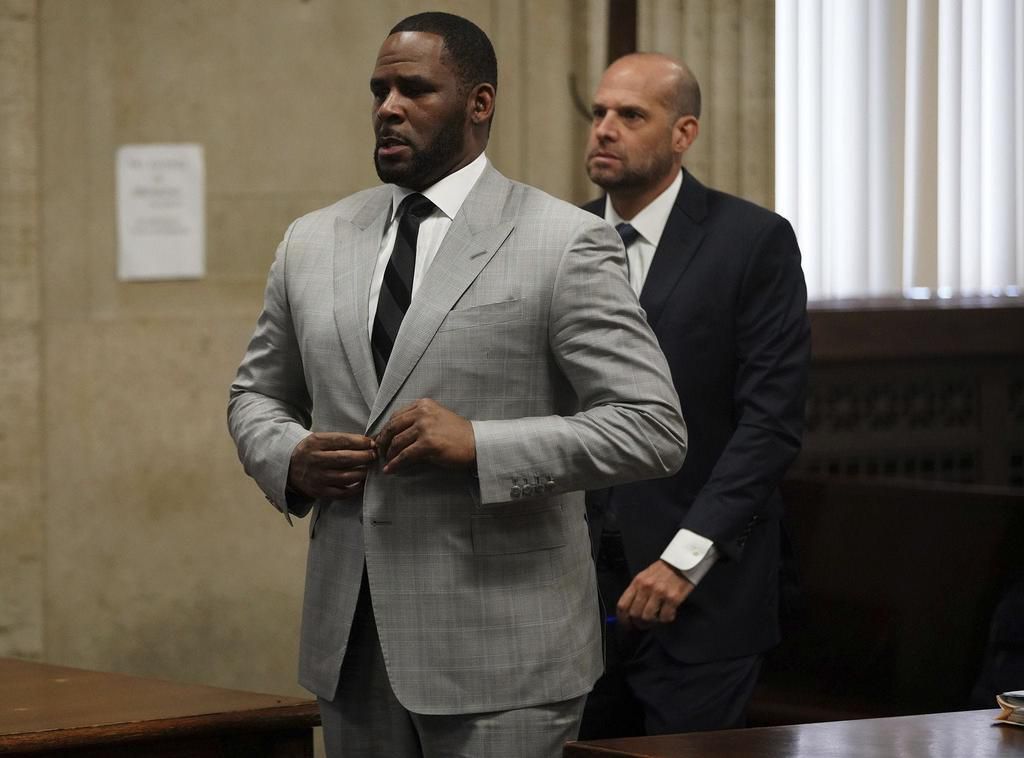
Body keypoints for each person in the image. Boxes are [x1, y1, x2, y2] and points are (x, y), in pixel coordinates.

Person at [227, 14, 686, 758]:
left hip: (505, 655)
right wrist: (288, 457)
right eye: (379, 89)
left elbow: (653, 426)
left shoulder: (562, 240)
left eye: (414, 89)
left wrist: (480, 444)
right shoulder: (312, 240)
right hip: (351, 647)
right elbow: (255, 395)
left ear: (479, 103)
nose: (388, 107)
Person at [579, 53, 811, 737]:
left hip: (702, 597)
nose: (604, 130)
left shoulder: (751, 241)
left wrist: (685, 559)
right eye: (598, 113)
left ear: (683, 134)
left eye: (630, 115)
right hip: (578, 598)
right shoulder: (560, 239)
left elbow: (770, 424)